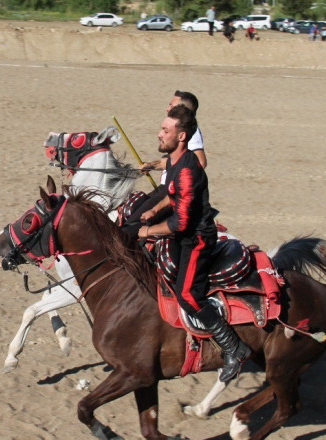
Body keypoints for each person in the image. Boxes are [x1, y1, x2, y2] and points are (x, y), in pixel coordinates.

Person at [138, 105, 251, 383]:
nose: (159, 134)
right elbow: (174, 194)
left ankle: (234, 348)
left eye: (165, 131)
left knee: (187, 295)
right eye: (161, 128)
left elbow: (181, 223)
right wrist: (155, 209)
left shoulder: (188, 169)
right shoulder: (176, 161)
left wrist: (148, 230)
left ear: (181, 136)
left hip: (196, 239)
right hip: (183, 233)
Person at [121, 91, 207, 237]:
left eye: (171, 105)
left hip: (169, 189)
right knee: (129, 211)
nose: (167, 108)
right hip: (167, 188)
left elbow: (200, 162)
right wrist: (152, 165)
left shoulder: (189, 133)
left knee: (130, 228)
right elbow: (172, 162)